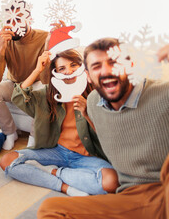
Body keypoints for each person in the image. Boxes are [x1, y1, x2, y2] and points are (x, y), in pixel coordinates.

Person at [38, 38, 169, 219]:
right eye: (97, 66)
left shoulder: (163, 94)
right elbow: (105, 137)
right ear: (89, 75)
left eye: (114, 62)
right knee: (50, 208)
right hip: (133, 198)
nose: (106, 71)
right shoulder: (93, 102)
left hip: (164, 186)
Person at [0, 49, 118, 196]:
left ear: (82, 67)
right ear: (55, 73)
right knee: (7, 161)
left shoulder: (97, 94)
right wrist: (37, 70)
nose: (68, 71)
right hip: (57, 152)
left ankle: (52, 171)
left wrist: (87, 113)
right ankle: (64, 187)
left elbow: (108, 135)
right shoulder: (49, 94)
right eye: (62, 68)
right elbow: (19, 97)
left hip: (86, 156)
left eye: (73, 65)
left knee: (111, 182)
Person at [0, 13, 49, 150]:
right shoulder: (1, 40)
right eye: (9, 20)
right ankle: (9, 132)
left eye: (18, 19)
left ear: (29, 19)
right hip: (15, 84)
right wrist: (2, 47)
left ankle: (34, 138)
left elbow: (46, 80)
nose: (14, 24)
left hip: (38, 83)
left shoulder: (45, 37)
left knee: (44, 93)